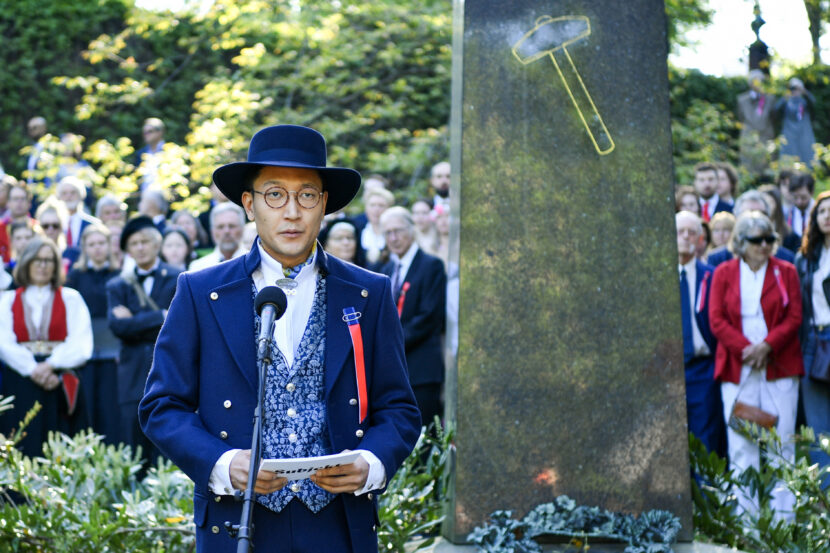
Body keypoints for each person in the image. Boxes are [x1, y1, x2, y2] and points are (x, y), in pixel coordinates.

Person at [139, 124, 420, 553]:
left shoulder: (369, 292)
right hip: (237, 521)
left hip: (339, 523)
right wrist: (222, 462)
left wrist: (372, 462)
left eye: (307, 195)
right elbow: (162, 406)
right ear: (249, 204)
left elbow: (399, 407)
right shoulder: (199, 291)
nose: (292, 211)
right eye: (275, 194)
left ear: (324, 204)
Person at [709, 211, 803, 521]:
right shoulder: (723, 272)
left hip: (779, 366)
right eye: (756, 240)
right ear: (740, 242)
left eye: (769, 239)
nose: (764, 245)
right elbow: (717, 319)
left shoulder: (785, 271)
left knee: (782, 444)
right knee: (741, 444)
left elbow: (794, 317)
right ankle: (747, 522)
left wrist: (768, 345)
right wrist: (745, 349)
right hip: (739, 367)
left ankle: (784, 522)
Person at [0, 237, 93, 457]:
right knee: (23, 442)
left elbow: (81, 343)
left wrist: (51, 365)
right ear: (27, 263)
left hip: (59, 380)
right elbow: (4, 343)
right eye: (37, 260)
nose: (43, 266)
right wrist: (33, 369)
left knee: (61, 443)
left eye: (48, 260)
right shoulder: (8, 300)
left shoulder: (71, 298)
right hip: (21, 380)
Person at [107, 216, 180, 464]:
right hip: (131, 373)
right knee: (133, 446)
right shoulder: (117, 285)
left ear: (157, 243)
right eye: (134, 243)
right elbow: (118, 327)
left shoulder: (179, 277)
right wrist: (160, 315)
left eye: (145, 241)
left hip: (169, 370)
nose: (140, 247)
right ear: (127, 248)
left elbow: (178, 324)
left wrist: (135, 321)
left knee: (167, 444)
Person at [380, 206, 446, 428]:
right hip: (392, 370)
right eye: (388, 232)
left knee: (424, 439)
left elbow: (429, 317)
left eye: (398, 231)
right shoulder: (385, 269)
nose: (394, 238)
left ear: (412, 229)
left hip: (421, 368)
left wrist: (390, 344)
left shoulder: (431, 266)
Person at [65, 224, 121, 445]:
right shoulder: (75, 277)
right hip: (84, 351)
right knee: (87, 407)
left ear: (109, 245)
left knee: (110, 408)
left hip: (112, 350)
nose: (97, 249)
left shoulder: (119, 275)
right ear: (84, 248)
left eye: (101, 243)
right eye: (92, 245)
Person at [676, 211, 725, 457]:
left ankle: (706, 495)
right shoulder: (654, 278)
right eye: (680, 231)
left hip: (703, 369)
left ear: (700, 239)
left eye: (692, 232)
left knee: (705, 439)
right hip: (665, 370)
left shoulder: (712, 275)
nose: (686, 237)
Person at [795, 190, 830, 478]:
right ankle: (825, 502)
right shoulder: (804, 259)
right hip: (814, 343)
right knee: (819, 429)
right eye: (822, 211)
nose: (827, 216)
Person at [737, 70, 776, 177]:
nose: (759, 83)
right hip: (748, 135)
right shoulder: (742, 99)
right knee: (748, 162)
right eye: (756, 81)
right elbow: (740, 117)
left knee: (765, 163)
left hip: (765, 134)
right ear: (750, 83)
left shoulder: (770, 98)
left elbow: (773, 117)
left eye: (761, 80)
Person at [188, 202, 247, 271]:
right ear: (212, 231)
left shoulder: (256, 263)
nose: (226, 231)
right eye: (220, 227)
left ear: (242, 229)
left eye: (231, 226)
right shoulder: (198, 268)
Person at [57, 176, 100, 265]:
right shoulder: (52, 223)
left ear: (81, 195)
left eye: (73, 192)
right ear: (60, 196)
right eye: (64, 193)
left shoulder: (92, 224)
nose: (69, 196)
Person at [776, 78, 817, 167]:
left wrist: (804, 92)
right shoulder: (787, 101)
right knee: (789, 154)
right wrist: (785, 98)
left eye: (797, 89)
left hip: (804, 133)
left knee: (806, 153)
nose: (795, 91)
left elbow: (814, 103)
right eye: (793, 88)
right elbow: (776, 110)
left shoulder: (805, 101)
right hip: (789, 133)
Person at [359, 187, 394, 267]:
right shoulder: (359, 230)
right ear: (366, 208)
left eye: (381, 205)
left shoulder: (394, 234)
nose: (376, 209)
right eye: (372, 205)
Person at [135, 117, 166, 190]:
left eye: (150, 131)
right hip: (143, 197)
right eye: (145, 132)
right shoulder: (140, 153)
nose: (146, 135)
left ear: (160, 132)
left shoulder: (169, 151)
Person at [786, 172, 815, 239]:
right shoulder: (790, 214)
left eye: (803, 197)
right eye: (795, 197)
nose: (799, 202)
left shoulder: (819, 212)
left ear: (812, 192)